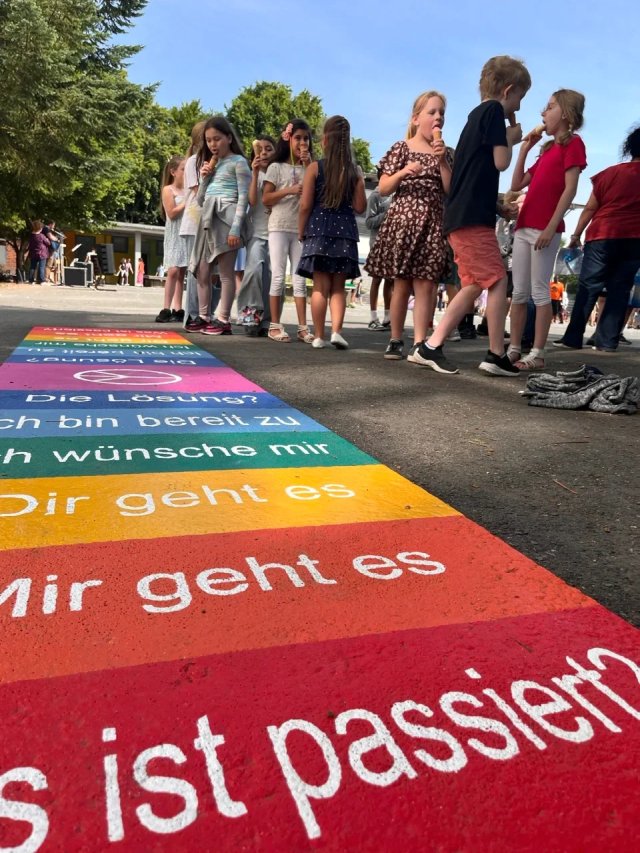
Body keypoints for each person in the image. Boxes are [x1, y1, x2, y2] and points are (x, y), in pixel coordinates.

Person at [413, 55, 530, 375]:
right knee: (496, 280)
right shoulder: (493, 112)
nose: (518, 107)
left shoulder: (474, 119)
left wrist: (495, 205)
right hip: (472, 220)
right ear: (508, 91)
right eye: (520, 98)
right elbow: (501, 162)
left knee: (477, 284)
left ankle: (436, 345)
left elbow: (471, 176)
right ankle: (488, 353)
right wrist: (513, 137)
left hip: (463, 216)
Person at [365, 91, 453, 361]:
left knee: (426, 284)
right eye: (432, 112)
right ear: (416, 119)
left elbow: (450, 189)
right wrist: (403, 172)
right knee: (401, 282)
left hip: (432, 223)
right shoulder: (401, 148)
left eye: (441, 114)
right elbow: (383, 187)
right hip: (403, 221)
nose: (438, 118)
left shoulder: (446, 153)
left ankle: (419, 343)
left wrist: (441, 160)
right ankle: (395, 338)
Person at [507, 90, 586, 369]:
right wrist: (525, 149)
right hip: (524, 225)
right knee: (518, 292)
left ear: (565, 113)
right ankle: (515, 347)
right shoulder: (548, 149)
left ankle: (538, 353)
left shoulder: (574, 144)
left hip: (545, 229)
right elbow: (517, 184)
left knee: (540, 291)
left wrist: (552, 226)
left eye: (549, 107)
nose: (543, 112)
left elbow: (570, 188)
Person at [554, 125, 640, 352]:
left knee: (589, 286)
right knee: (620, 289)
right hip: (635, 238)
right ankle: (607, 341)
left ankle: (572, 338)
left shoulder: (610, 173)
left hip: (602, 234)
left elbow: (590, 208)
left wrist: (575, 234)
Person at [298, 115, 367, 349]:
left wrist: (301, 230)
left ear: (324, 139)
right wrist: (358, 181)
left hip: (318, 229)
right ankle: (337, 331)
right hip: (345, 231)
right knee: (339, 287)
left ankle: (318, 336)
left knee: (319, 287)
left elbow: (305, 205)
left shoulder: (315, 168)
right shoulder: (354, 171)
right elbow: (360, 207)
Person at [187, 116, 251, 335]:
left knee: (226, 272)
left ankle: (223, 318)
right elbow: (200, 200)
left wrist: (236, 228)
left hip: (226, 217)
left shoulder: (239, 163)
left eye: (217, 139)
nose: (213, 144)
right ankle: (204, 315)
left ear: (229, 138)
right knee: (202, 270)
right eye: (208, 140)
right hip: (207, 219)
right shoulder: (212, 164)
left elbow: (244, 197)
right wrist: (205, 177)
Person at [262, 119, 314, 342]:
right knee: (278, 276)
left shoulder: (311, 168)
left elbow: (317, 194)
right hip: (278, 227)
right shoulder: (275, 167)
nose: (302, 143)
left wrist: (309, 165)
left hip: (300, 228)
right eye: (298, 138)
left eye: (306, 139)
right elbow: (266, 198)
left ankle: (303, 328)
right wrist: (289, 190)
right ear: (288, 139)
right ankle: (275, 325)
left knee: (300, 279)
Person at [236, 136, 276, 336]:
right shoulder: (255, 174)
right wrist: (254, 171)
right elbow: (252, 201)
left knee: (270, 278)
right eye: (261, 149)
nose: (265, 153)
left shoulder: (279, 173)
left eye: (269, 149)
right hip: (257, 232)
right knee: (252, 272)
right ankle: (250, 317)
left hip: (277, 233)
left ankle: (268, 320)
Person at [156, 155, 188, 323]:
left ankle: (178, 307)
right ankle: (165, 307)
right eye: (183, 169)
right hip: (174, 232)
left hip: (186, 231)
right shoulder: (168, 190)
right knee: (173, 270)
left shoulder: (189, 189)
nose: (186, 172)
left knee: (182, 271)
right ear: (174, 171)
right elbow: (172, 212)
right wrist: (187, 202)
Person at [180, 120, 206, 328]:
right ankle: (192, 314)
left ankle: (206, 313)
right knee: (194, 269)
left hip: (212, 222)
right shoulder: (193, 162)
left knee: (209, 271)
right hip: (194, 221)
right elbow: (198, 192)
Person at [364, 189, 393, 329]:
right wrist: (388, 213)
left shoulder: (397, 193)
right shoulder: (376, 196)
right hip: (377, 242)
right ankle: (373, 318)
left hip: (393, 241)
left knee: (390, 279)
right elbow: (369, 222)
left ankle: (388, 317)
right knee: (376, 279)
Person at [27, 220, 50, 284]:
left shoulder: (31, 235)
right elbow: (48, 243)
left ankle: (31, 280)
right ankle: (41, 280)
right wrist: (47, 239)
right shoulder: (41, 236)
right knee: (41, 267)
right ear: (40, 228)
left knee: (32, 267)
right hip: (42, 253)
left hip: (33, 253)